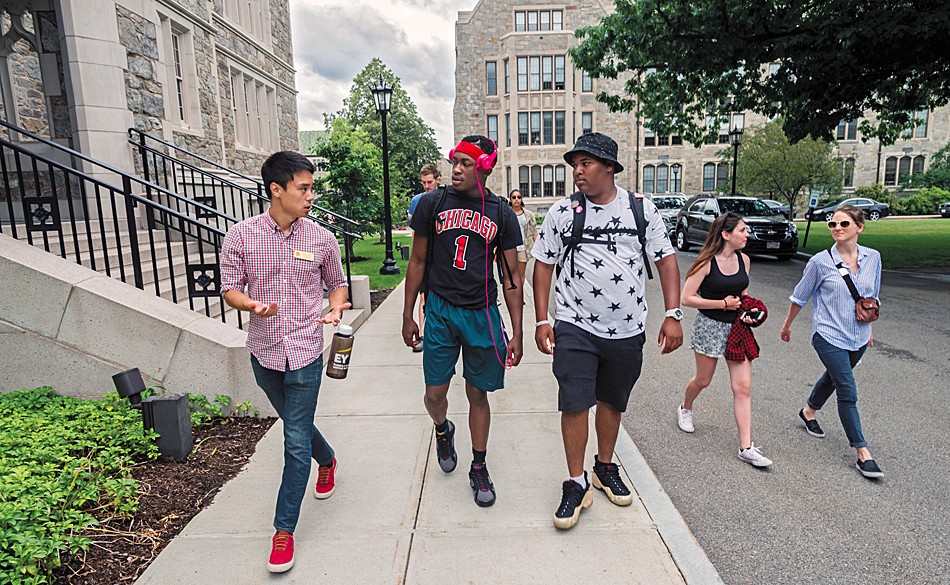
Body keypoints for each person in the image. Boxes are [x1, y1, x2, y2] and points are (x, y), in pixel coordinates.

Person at [532, 132, 683, 529]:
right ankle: (575, 480)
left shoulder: (641, 209)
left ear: (610, 168)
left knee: (613, 402)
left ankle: (603, 467)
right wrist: (542, 319)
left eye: (586, 164)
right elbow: (543, 265)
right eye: (575, 164)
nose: (577, 171)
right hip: (575, 325)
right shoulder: (563, 212)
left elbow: (666, 260)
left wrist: (674, 313)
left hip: (627, 327)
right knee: (574, 401)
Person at [220, 151, 351, 573]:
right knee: (298, 427)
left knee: (293, 440)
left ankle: (283, 531)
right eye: (304, 188)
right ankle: (328, 459)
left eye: (312, 188)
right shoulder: (240, 237)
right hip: (264, 354)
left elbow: (338, 284)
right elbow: (228, 288)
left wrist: (335, 309)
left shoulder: (321, 239)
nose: (311, 196)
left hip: (307, 352)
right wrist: (251, 305)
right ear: (276, 189)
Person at [402, 135, 524, 507]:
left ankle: (479, 465)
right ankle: (443, 429)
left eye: (465, 164)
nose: (455, 169)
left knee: (477, 393)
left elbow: (511, 277)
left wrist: (518, 330)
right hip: (439, 309)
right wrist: (408, 312)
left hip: (481, 313)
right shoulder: (431, 203)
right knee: (434, 394)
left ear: (484, 168)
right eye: (454, 161)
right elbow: (419, 260)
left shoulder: (501, 214)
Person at [779, 204, 884, 479]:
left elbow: (872, 296)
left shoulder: (873, 258)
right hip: (828, 335)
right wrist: (787, 324)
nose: (837, 228)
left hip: (858, 336)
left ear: (859, 227)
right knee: (847, 389)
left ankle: (808, 411)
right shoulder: (820, 262)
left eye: (844, 224)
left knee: (835, 377)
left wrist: (869, 329)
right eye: (833, 224)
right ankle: (863, 453)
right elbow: (800, 296)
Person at [676, 212, 773, 468]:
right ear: (726, 235)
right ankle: (686, 407)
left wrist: (751, 311)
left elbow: (743, 294)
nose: (747, 234)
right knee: (703, 380)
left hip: (737, 328)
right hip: (709, 326)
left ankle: (746, 447)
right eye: (742, 230)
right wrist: (721, 304)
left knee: (743, 388)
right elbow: (687, 298)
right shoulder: (706, 262)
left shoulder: (745, 260)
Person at [407, 164, 442, 352]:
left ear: (437, 179)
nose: (427, 186)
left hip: (440, 257)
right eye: (424, 183)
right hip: (424, 257)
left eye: (430, 182)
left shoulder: (444, 200)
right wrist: (415, 256)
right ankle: (423, 335)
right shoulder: (417, 201)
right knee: (423, 296)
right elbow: (415, 233)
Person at [509, 189, 538, 287]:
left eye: (519, 197)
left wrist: (539, 247)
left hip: (523, 248)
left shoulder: (528, 215)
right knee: (511, 274)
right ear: (510, 199)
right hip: (510, 248)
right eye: (514, 197)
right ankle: (513, 297)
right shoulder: (506, 213)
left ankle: (520, 297)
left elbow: (534, 232)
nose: (516, 199)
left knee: (521, 274)